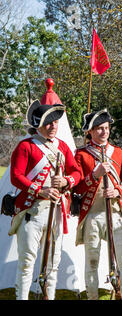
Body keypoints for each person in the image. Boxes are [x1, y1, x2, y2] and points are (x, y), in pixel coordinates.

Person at [9, 100, 82, 300]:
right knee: (27, 263)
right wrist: (40, 190)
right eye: (48, 123)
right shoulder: (26, 146)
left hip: (57, 211)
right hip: (32, 211)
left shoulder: (63, 147)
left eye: (55, 122)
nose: (53, 127)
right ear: (38, 124)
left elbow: (77, 172)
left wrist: (66, 181)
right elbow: (16, 176)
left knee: (52, 264)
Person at [73, 109, 122, 300]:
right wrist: (94, 175)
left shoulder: (117, 152)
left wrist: (118, 191)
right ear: (89, 132)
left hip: (115, 212)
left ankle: (120, 293)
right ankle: (92, 296)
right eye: (99, 128)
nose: (104, 132)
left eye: (106, 128)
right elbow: (78, 187)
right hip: (92, 213)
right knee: (92, 260)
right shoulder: (82, 154)